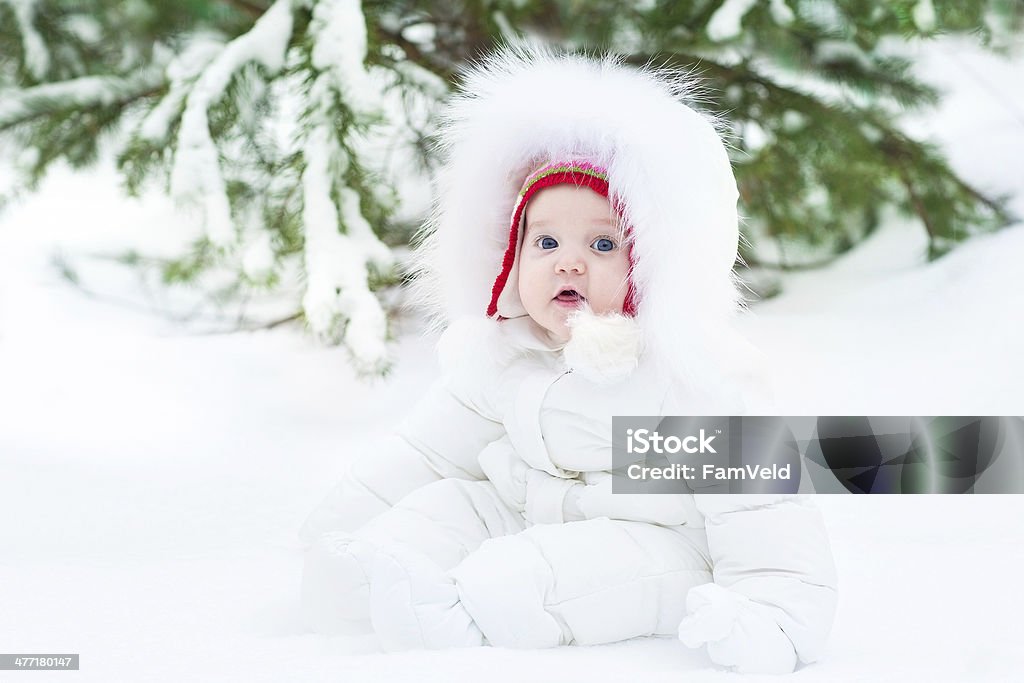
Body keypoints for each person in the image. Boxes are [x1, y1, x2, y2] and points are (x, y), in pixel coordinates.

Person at [298, 45, 838, 675]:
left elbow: (765, 516)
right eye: (546, 240)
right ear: (510, 254)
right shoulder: (506, 353)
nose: (568, 261)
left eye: (603, 243)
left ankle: (454, 625)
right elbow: (425, 451)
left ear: (655, 264)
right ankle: (358, 582)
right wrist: (340, 525)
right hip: (531, 511)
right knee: (440, 509)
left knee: (529, 575)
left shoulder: (688, 381)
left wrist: (775, 622)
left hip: (663, 549)